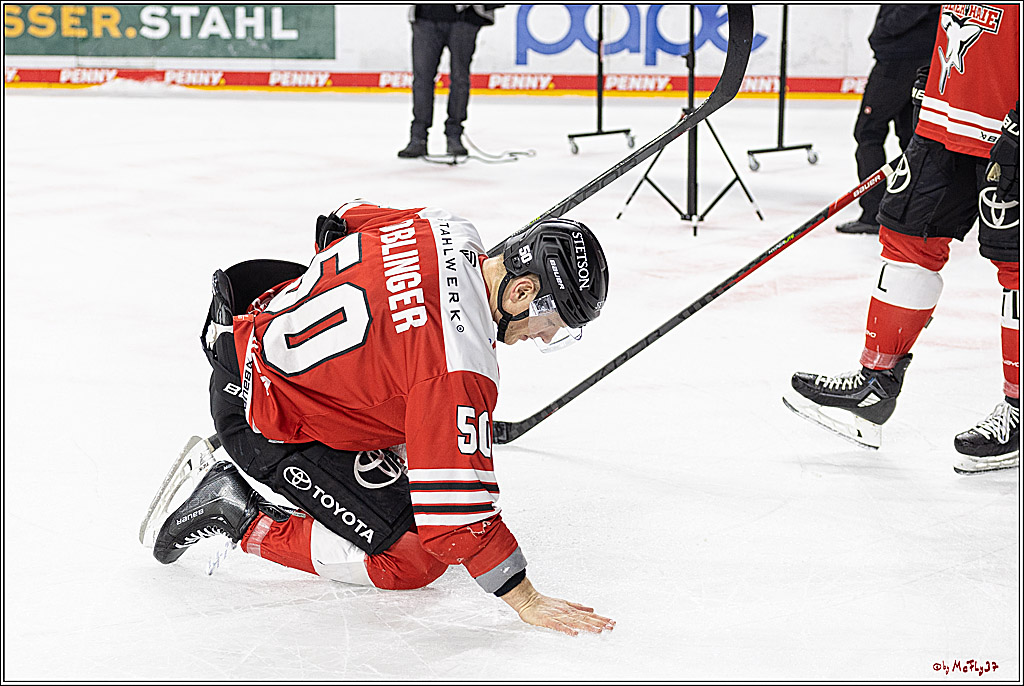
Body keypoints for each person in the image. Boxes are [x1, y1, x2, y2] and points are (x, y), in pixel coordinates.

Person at [144, 200, 616, 636]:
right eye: (551, 324)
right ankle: (235, 512)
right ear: (522, 291)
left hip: (248, 321)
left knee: (410, 414)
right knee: (414, 557)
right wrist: (525, 597)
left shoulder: (446, 225)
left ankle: (318, 402)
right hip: (256, 416)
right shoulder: (460, 367)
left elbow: (340, 222)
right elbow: (456, 521)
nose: (542, 336)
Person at [784, 4, 1019, 474]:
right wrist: (930, 75)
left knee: (1017, 266)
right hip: (944, 118)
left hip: (1009, 125)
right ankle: (874, 386)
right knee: (906, 237)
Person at [836, 4, 940, 235]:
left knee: (868, 133)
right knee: (911, 138)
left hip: (899, 62)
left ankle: (874, 214)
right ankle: (911, 215)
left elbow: (909, 11)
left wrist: (880, 33)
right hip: (918, 61)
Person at [397, 5, 501, 159]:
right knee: (422, 80)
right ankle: (418, 137)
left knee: (459, 79)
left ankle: (454, 135)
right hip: (426, 16)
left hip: (464, 17)